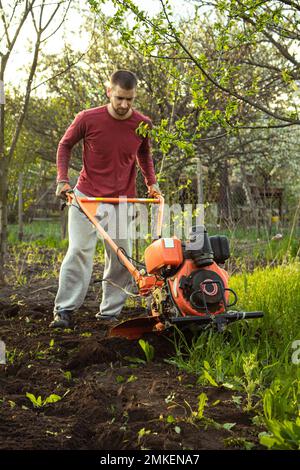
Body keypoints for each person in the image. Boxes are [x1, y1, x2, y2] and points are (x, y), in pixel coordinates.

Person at [50, 70, 161, 328]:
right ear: (109, 91)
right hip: (86, 197)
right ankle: (64, 310)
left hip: (122, 200)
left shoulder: (142, 123)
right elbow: (64, 145)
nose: (124, 105)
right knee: (78, 251)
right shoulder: (87, 119)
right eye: (120, 98)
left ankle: (109, 313)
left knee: (122, 257)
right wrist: (62, 179)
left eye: (130, 100)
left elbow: (144, 154)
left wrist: (151, 183)